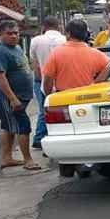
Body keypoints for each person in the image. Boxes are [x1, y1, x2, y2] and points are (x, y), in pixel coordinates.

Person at [0, 20, 40, 171]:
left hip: (21, 97)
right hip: (9, 98)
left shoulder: (17, 48)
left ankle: (7, 158)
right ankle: (28, 160)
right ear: (1, 35)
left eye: (16, 33)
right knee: (23, 126)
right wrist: (12, 98)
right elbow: (0, 78)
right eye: (9, 33)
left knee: (9, 127)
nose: (13, 36)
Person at [42, 19, 110, 94]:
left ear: (68, 34)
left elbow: (48, 79)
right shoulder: (95, 53)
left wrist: (49, 95)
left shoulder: (56, 53)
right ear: (85, 34)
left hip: (63, 97)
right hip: (87, 96)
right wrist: (97, 82)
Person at [28, 16, 65, 150]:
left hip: (42, 80)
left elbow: (34, 62)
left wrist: (39, 78)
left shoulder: (35, 41)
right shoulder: (65, 40)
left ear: (44, 27)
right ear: (58, 26)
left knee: (43, 110)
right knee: (61, 111)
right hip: (61, 81)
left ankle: (39, 138)